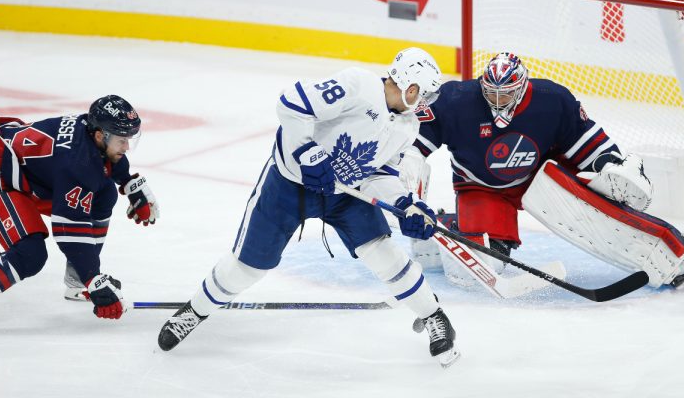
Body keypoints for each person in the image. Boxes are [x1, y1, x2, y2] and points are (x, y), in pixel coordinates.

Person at [156, 48, 461, 368]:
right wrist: (307, 151)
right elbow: (291, 103)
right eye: (425, 93)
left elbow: (379, 172)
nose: (426, 102)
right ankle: (193, 312)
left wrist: (405, 204)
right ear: (411, 87)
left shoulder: (407, 126)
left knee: (383, 252)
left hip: (345, 196)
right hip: (289, 186)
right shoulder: (359, 85)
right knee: (249, 266)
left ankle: (433, 315)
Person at [403, 52, 684, 290]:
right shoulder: (455, 100)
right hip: (482, 187)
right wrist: (408, 183)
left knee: (602, 206)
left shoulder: (551, 99)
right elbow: (414, 145)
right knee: (477, 270)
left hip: (541, 177)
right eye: (490, 92)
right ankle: (448, 225)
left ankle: (670, 247)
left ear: (520, 88)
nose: (496, 100)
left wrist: (609, 165)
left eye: (504, 94)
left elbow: (583, 140)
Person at [0, 95, 159, 337]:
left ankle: (77, 280)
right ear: (98, 135)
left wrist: (128, 182)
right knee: (30, 254)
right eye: (121, 140)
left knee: (104, 194)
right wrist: (93, 279)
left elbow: (105, 160)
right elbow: (69, 231)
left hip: (27, 172)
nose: (126, 147)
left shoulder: (91, 137)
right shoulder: (77, 164)